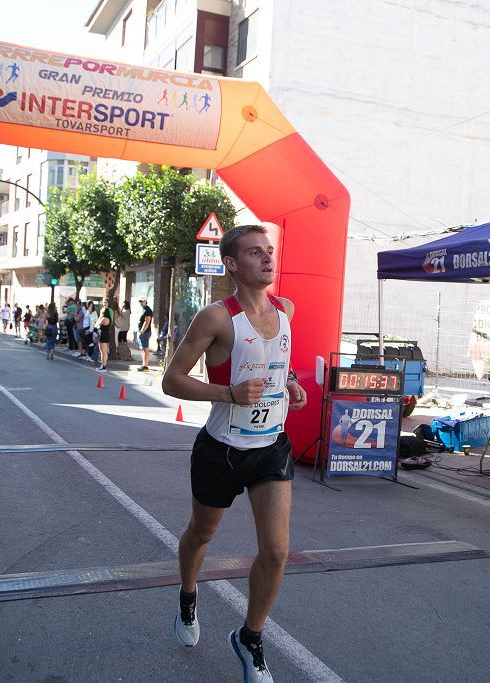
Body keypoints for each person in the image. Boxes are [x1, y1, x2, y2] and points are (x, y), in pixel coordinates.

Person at [161, 224, 306, 682]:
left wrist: (292, 385)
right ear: (231, 263)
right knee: (202, 534)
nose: (267, 259)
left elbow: (276, 366)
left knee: (277, 551)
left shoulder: (286, 310)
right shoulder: (216, 318)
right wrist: (227, 392)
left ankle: (250, 637)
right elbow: (172, 379)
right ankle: (188, 596)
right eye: (254, 252)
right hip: (221, 450)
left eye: (269, 251)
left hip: (270, 448)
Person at [96, 297, 115, 372]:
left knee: (103, 351)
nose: (104, 304)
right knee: (103, 351)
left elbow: (99, 322)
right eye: (103, 302)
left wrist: (96, 325)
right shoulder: (104, 313)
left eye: (105, 302)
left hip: (104, 332)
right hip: (105, 332)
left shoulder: (107, 313)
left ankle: (103, 366)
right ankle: (103, 365)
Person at [137, 297, 153, 372]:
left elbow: (147, 322)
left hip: (145, 332)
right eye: (139, 301)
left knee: (145, 348)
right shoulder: (144, 309)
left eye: (142, 301)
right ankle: (144, 365)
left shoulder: (148, 310)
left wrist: (141, 331)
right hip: (143, 332)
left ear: (145, 301)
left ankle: (146, 366)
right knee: (143, 349)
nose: (140, 303)